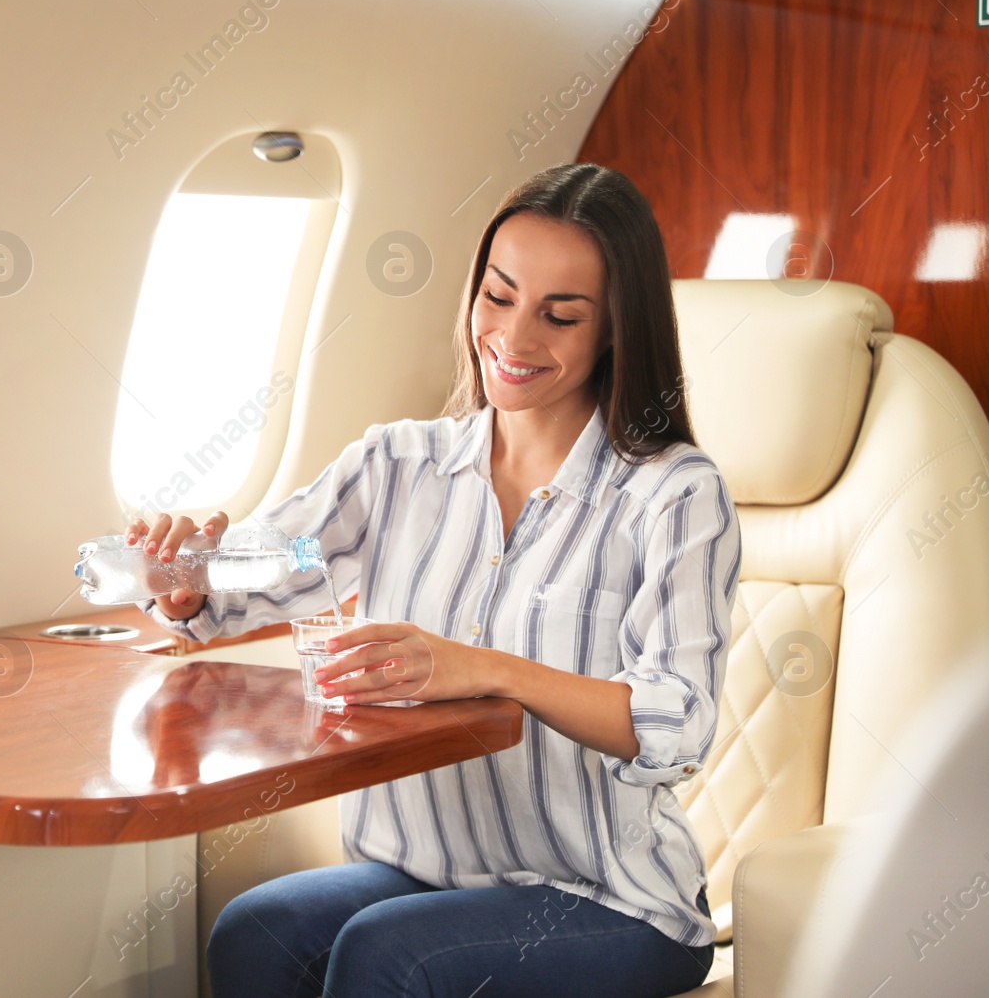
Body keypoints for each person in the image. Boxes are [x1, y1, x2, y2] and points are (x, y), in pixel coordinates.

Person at [126, 163, 739, 997]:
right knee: (255, 931)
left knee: (388, 953)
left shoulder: (672, 494)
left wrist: (483, 668)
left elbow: (680, 718)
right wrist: (191, 578)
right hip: (429, 872)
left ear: (614, 333)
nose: (515, 339)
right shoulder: (395, 466)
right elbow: (281, 563)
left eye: (560, 315)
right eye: (498, 296)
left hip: (608, 897)